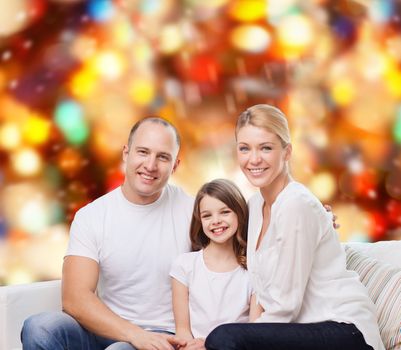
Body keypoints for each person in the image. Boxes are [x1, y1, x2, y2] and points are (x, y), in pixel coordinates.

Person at [205, 104, 384, 350]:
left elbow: (285, 306)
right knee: (226, 338)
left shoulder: (296, 205)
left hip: (343, 330)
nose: (254, 159)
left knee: (223, 339)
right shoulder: (255, 205)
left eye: (266, 148)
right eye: (244, 148)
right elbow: (260, 289)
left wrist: (242, 339)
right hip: (299, 330)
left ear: (287, 152)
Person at [21, 117, 193, 350]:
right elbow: (74, 299)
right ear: (126, 153)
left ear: (175, 165)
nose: (150, 165)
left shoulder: (193, 212)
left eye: (163, 157)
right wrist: (134, 334)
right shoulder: (92, 216)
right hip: (108, 329)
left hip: (166, 337)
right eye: (143, 152)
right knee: (39, 327)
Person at [170, 179, 263, 350]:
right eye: (207, 215)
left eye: (224, 212)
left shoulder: (254, 270)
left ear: (239, 214)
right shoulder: (184, 266)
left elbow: (254, 333)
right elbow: (182, 331)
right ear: (200, 220)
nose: (216, 221)